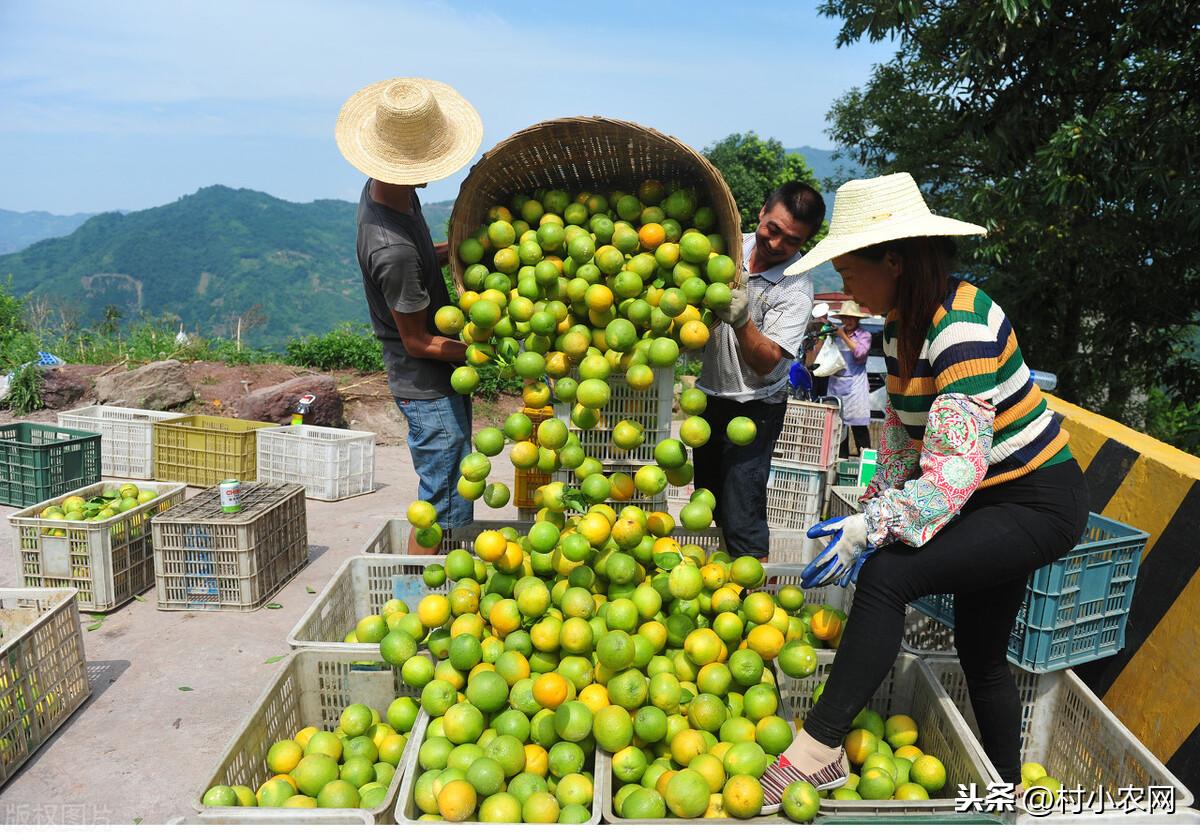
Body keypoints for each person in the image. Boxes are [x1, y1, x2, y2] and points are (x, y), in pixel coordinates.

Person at [760, 173, 1089, 807]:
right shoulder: (898, 325)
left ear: (894, 260)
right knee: (982, 652)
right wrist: (870, 507)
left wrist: (874, 530)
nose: (846, 287)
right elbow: (903, 436)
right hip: (989, 500)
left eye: (851, 270)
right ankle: (1008, 798)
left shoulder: (960, 326)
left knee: (889, 577)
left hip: (1036, 500)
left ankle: (820, 748)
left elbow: (953, 472)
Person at [336, 77, 483, 554]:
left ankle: (450, 592)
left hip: (441, 381)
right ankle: (415, 603)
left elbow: (422, 256)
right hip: (427, 388)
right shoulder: (390, 250)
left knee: (459, 492)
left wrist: (458, 252)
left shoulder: (390, 193)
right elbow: (419, 342)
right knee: (440, 506)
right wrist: (487, 356)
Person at [693, 182, 826, 561]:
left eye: (792, 239)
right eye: (773, 228)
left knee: (743, 509)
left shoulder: (797, 287)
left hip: (756, 407)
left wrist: (741, 320)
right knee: (710, 500)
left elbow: (768, 360)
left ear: (807, 241)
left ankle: (753, 594)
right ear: (762, 211)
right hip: (710, 397)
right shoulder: (729, 247)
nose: (777, 243)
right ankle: (720, 579)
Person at [822, 300, 873, 457]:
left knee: (859, 431)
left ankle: (866, 469)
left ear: (857, 319)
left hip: (856, 389)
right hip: (836, 387)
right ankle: (839, 465)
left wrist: (842, 335)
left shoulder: (865, 335)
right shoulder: (833, 336)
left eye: (851, 318)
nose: (848, 321)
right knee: (838, 432)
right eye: (845, 318)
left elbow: (860, 354)